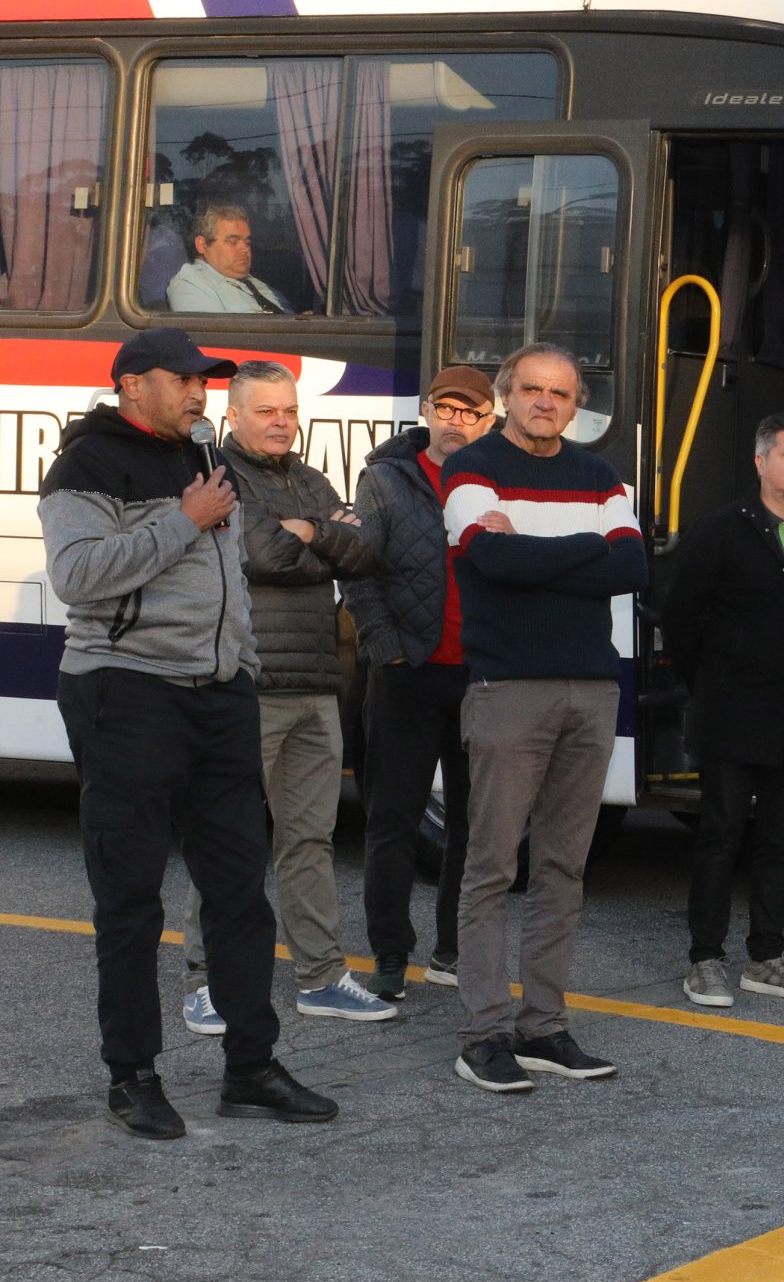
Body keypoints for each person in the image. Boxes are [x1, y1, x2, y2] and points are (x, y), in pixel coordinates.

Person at [39, 327, 335, 1137]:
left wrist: (238, 664)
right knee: (131, 897)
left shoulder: (206, 456)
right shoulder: (85, 464)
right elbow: (79, 577)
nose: (200, 394)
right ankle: (131, 1074)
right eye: (185, 380)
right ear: (133, 383)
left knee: (240, 892)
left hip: (218, 696)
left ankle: (250, 1067)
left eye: (206, 382)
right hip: (125, 692)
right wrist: (181, 518)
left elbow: (228, 574)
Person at [441, 342, 648, 1092]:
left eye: (559, 392)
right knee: (492, 866)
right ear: (506, 395)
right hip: (508, 688)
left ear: (575, 402)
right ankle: (483, 1034)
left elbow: (633, 566)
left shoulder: (598, 472)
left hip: (591, 689)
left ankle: (545, 1027)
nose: (545, 402)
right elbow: (488, 562)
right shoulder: (473, 467)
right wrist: (586, 545)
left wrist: (528, 544)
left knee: (564, 866)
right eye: (530, 388)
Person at [177, 361, 390, 1029]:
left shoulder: (308, 477)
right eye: (265, 410)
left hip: (318, 686)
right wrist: (319, 534)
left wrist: (311, 532)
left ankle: (321, 976)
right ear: (234, 414)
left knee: (310, 839)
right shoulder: (219, 474)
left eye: (289, 410)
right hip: (250, 683)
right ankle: (205, 982)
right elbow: (261, 553)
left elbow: (365, 548)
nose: (280, 421)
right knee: (230, 838)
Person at [660, 412, 784, 1006]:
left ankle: (766, 958)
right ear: (761, 462)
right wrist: (711, 683)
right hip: (732, 714)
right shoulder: (720, 531)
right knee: (720, 836)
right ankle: (705, 960)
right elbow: (680, 618)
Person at [344, 366, 498, 1000]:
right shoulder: (384, 477)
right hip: (405, 676)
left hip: (481, 679)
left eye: (470, 411)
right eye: (446, 407)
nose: (456, 420)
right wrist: (384, 648)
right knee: (391, 821)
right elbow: (359, 570)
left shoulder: (503, 479)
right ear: (427, 410)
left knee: (474, 826)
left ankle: (453, 951)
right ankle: (388, 954)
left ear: (490, 419)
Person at [162, 204, 291, 314]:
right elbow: (216, 339)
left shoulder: (256, 284)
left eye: (247, 242)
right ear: (202, 245)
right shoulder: (190, 285)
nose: (245, 249)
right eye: (233, 241)